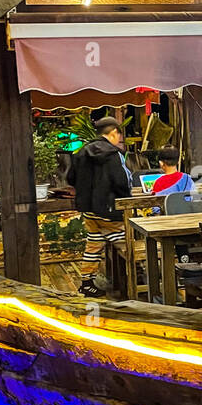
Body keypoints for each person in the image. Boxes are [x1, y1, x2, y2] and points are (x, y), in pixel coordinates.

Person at [66, 117, 132, 297]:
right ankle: (136, 281)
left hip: (89, 210)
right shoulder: (113, 154)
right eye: (118, 134)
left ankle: (87, 282)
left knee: (93, 244)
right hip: (110, 210)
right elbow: (122, 182)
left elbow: (70, 178)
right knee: (131, 241)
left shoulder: (81, 153)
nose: (119, 138)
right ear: (112, 133)